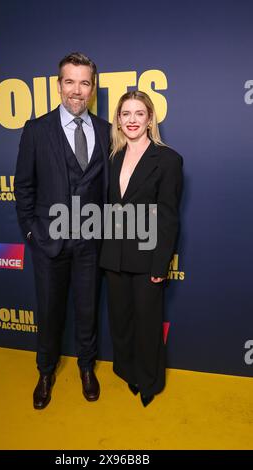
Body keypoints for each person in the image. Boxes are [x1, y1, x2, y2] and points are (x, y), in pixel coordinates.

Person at [14, 52, 110, 409]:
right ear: (59, 86)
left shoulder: (105, 130)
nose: (77, 90)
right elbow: (23, 187)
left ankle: (87, 368)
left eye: (84, 82)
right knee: (49, 312)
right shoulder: (37, 130)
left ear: (92, 87)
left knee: (87, 310)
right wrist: (30, 233)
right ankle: (45, 371)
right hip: (48, 243)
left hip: (90, 243)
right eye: (70, 81)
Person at [100, 91, 183, 407]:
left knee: (148, 324)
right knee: (120, 321)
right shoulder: (111, 157)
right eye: (125, 114)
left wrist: (160, 265)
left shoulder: (168, 160)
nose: (132, 120)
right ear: (118, 120)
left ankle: (149, 381)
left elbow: (168, 218)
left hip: (148, 258)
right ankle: (127, 371)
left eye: (138, 113)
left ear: (150, 118)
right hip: (113, 256)